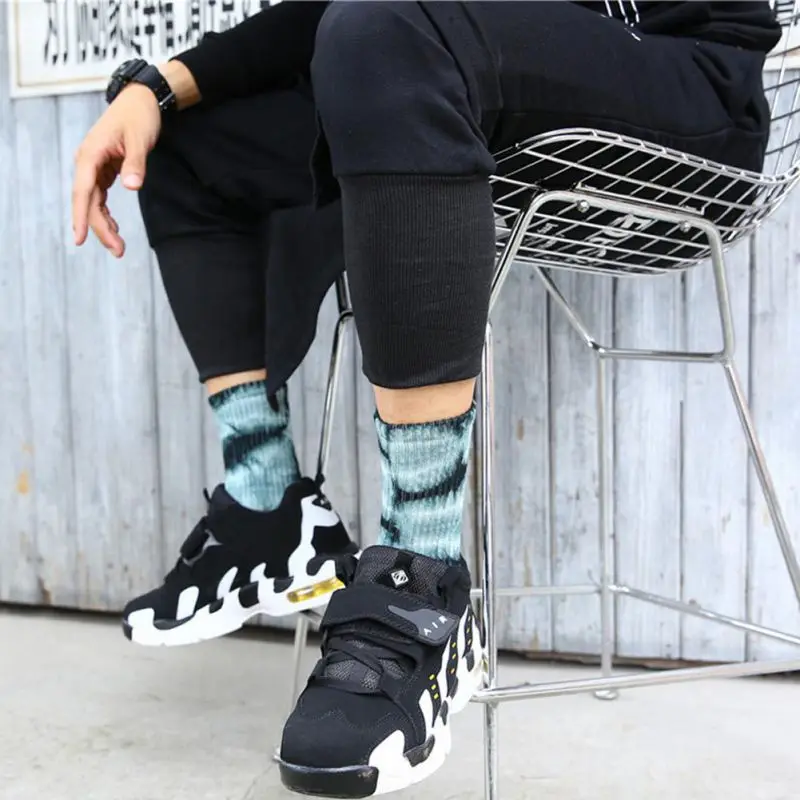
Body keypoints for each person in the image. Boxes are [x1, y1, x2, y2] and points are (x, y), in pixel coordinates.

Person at [71, 2, 781, 796]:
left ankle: (423, 572)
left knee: (387, 31)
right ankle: (267, 498)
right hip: (481, 65)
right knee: (190, 140)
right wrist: (156, 88)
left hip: (683, 75)